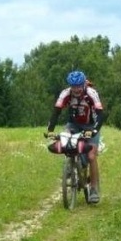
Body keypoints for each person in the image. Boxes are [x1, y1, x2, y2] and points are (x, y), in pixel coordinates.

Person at [47, 69, 106, 203]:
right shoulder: (65, 94)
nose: (76, 89)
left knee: (91, 155)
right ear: (70, 86)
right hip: (72, 125)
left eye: (79, 86)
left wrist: (94, 131)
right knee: (65, 142)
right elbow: (56, 112)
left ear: (83, 84)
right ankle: (70, 166)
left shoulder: (91, 93)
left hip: (90, 125)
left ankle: (94, 189)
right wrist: (50, 130)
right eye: (73, 86)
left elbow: (101, 115)